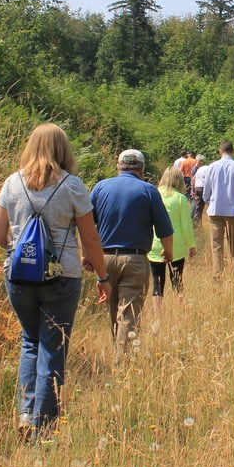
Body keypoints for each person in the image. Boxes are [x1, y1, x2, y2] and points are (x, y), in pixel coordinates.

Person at [0, 123, 110, 439]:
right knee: (53, 346)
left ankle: (27, 416)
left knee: (31, 341)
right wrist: (102, 276)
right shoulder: (72, 186)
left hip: (18, 277)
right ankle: (44, 429)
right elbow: (91, 239)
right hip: (62, 277)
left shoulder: (11, 183)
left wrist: (26, 253)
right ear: (64, 150)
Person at [89, 149, 174, 358]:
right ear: (142, 170)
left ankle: (118, 354)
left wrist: (86, 254)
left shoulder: (100, 187)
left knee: (113, 312)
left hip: (104, 259)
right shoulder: (148, 190)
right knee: (129, 313)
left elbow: (86, 226)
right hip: (135, 260)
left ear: (118, 167)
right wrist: (168, 252)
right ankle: (123, 363)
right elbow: (165, 229)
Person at [202, 140, 234, 280]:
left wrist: (209, 203)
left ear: (220, 151)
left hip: (215, 211)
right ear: (233, 151)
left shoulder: (211, 167)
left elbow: (206, 191)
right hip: (233, 211)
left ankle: (218, 274)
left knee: (216, 244)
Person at [148, 167, 196, 309]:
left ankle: (158, 316)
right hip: (176, 246)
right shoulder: (180, 198)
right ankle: (180, 311)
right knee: (177, 280)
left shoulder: (154, 195)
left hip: (154, 245)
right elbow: (186, 225)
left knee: (157, 282)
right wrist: (191, 245)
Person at [190, 154, 209, 231]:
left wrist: (194, 190)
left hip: (197, 188)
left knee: (198, 208)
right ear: (200, 161)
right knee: (209, 206)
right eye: (203, 161)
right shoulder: (199, 168)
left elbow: (193, 180)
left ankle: (196, 226)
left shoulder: (198, 169)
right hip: (203, 188)